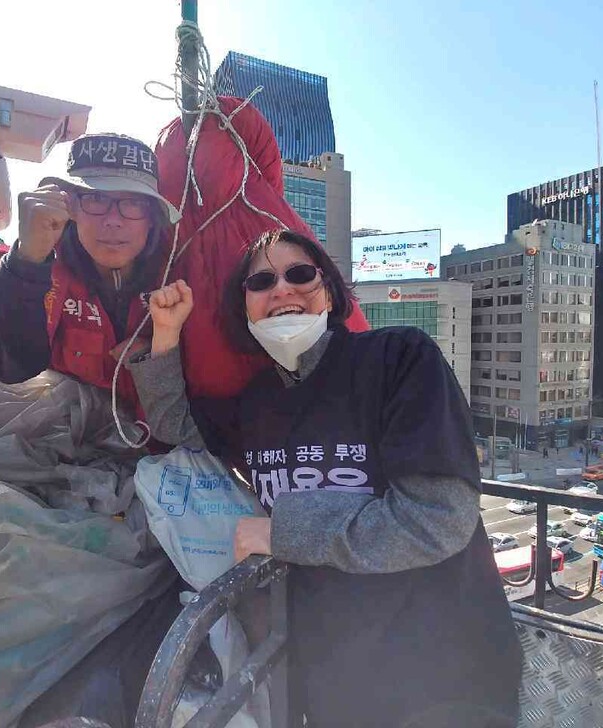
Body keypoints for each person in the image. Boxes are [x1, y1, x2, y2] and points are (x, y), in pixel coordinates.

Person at [127, 229, 523, 726]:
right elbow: (176, 426)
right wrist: (166, 333)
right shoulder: (257, 403)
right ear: (244, 308)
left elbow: (435, 521)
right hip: (333, 683)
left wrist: (281, 531)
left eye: (300, 274)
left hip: (444, 676)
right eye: (261, 281)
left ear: (330, 291)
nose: (282, 289)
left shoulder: (398, 358)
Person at [0, 133, 180, 411]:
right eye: (96, 198)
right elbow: (10, 369)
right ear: (70, 206)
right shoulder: (43, 267)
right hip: (70, 437)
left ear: (152, 218)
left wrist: (155, 357)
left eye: (133, 202)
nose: (113, 220)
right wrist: (26, 260)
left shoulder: (178, 272)